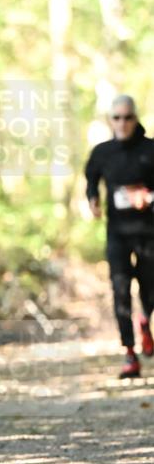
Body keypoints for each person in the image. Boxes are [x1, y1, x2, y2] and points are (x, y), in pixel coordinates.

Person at [84, 95, 154, 378]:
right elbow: (91, 180)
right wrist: (93, 200)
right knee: (120, 290)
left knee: (149, 288)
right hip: (117, 235)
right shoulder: (102, 152)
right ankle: (129, 353)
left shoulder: (151, 149)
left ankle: (145, 321)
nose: (122, 123)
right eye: (117, 118)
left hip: (150, 233)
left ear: (135, 119)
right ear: (110, 121)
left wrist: (148, 197)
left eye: (127, 117)